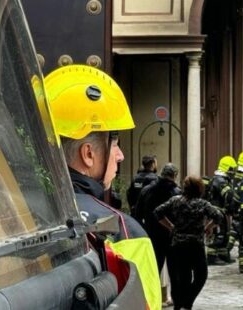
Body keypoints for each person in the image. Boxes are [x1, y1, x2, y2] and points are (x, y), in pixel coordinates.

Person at [45, 65, 161, 310]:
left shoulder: (17, 217)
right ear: (88, 154)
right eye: (115, 144)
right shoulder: (125, 231)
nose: (120, 155)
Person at [154, 176, 224, 310]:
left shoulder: (175, 200)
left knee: (182, 278)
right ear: (199, 188)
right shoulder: (202, 204)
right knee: (201, 276)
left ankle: (180, 305)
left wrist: (171, 226)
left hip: (178, 245)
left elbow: (158, 212)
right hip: (195, 245)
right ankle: (187, 303)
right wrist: (208, 227)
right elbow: (219, 216)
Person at [134, 163, 181, 273]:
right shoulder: (177, 192)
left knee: (153, 271)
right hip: (171, 236)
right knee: (175, 273)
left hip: (152, 235)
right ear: (175, 175)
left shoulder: (146, 190)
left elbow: (138, 214)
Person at [203, 156, 238, 265]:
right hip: (217, 212)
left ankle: (223, 255)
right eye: (232, 169)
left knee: (224, 234)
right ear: (227, 168)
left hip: (219, 211)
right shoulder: (221, 181)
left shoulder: (218, 179)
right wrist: (232, 207)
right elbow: (229, 195)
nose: (233, 172)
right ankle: (211, 258)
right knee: (218, 234)